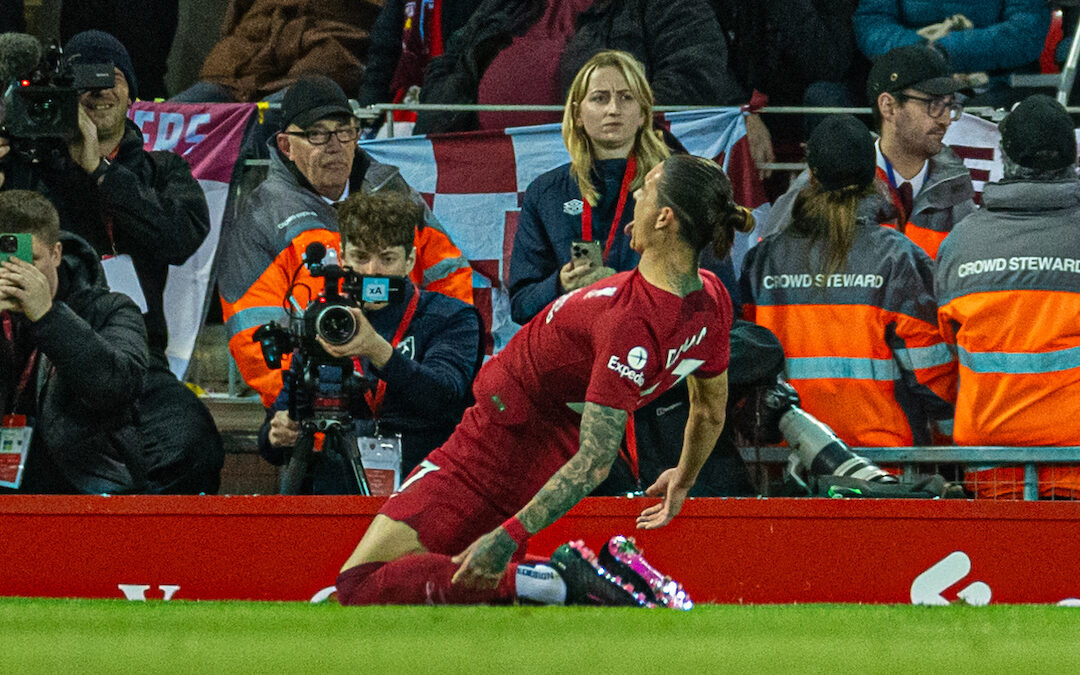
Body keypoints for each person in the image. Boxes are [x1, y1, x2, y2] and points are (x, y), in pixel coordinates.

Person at [333, 154, 747, 607]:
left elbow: (596, 462)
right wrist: (683, 479)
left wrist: (508, 536)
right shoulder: (711, 295)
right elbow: (709, 409)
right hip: (546, 440)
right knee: (468, 588)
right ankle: (560, 577)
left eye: (646, 188)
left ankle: (559, 578)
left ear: (665, 217)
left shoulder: (629, 319)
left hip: (497, 441)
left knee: (360, 583)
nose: (633, 195)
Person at [509, 49, 754, 496]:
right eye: (600, 98)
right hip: (576, 398)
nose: (613, 109)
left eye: (625, 98)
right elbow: (522, 304)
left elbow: (718, 303)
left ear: (644, 111)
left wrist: (613, 287)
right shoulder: (547, 192)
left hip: (665, 398)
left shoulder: (682, 186)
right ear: (578, 114)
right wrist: (563, 285)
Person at [0, 30, 224, 494]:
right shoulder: (31, 165)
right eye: (83, 80)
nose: (99, 91)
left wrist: (100, 172)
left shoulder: (163, 171)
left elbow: (179, 237)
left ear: (131, 93)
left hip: (131, 352)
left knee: (192, 441)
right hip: (25, 349)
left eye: (111, 78)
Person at [218, 74, 474, 408]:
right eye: (316, 134)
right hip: (323, 406)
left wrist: (423, 372)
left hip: (409, 395)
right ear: (286, 146)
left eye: (344, 131)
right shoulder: (259, 219)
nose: (334, 144)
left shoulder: (393, 189)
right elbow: (254, 340)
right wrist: (311, 407)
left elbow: (449, 278)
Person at [741, 115, 956, 448]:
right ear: (873, 175)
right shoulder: (899, 258)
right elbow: (929, 371)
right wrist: (948, 434)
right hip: (887, 468)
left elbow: (751, 362)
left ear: (810, 176)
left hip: (790, 465)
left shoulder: (763, 259)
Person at [259, 191, 482, 492]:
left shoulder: (450, 316)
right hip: (340, 484)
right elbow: (284, 416)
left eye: (387, 258)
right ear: (342, 257)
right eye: (361, 257)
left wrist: (377, 350)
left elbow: (444, 396)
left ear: (409, 260)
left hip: (426, 485)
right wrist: (276, 433)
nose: (372, 271)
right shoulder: (328, 320)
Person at [411, 0, 774, 174]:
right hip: (488, 174)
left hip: (604, 174)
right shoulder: (505, 3)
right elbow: (448, 66)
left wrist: (605, 130)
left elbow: (695, 77)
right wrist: (447, 115)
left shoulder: (666, 4)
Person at [936, 94, 1080, 500]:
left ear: (1006, 157)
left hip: (991, 471)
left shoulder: (961, 242)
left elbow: (945, 351)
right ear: (1072, 157)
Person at [763, 44, 977, 261]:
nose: (946, 119)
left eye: (950, 106)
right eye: (933, 104)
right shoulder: (825, 181)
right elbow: (769, 269)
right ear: (888, 106)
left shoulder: (956, 186)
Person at [0, 191, 148, 494]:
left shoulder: (111, 309)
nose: (16, 274)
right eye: (4, 261)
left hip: (82, 488)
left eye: (30, 260)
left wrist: (48, 317)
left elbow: (117, 387)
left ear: (56, 253)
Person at [853, 0, 1051, 109]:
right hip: (909, 80)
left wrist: (946, 49)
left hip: (997, 84)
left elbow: (1025, 33)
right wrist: (924, 52)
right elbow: (872, 24)